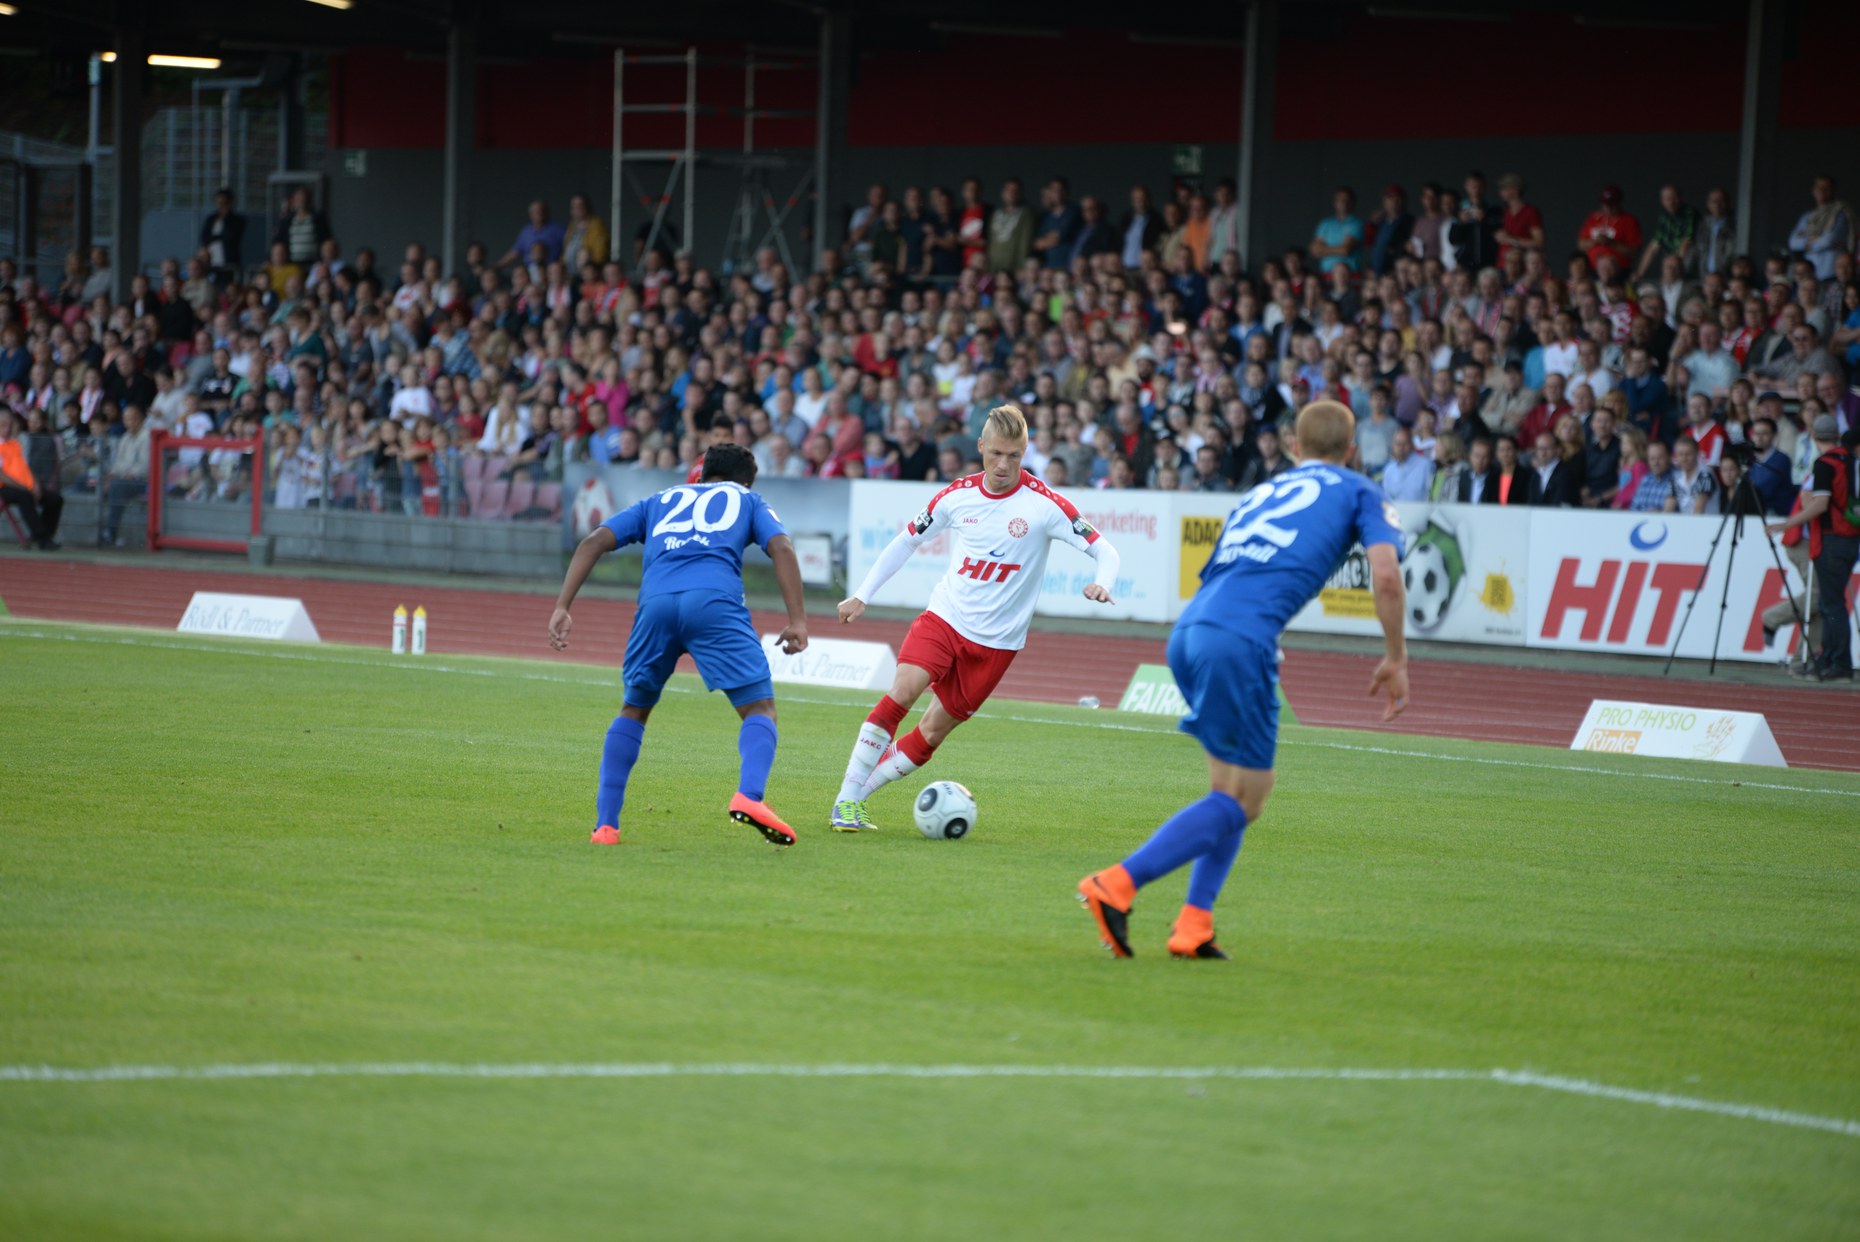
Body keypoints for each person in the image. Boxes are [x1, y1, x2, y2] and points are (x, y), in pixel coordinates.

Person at [1077, 401, 1408, 959]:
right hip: (1240, 641)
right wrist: (1396, 656)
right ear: (1352, 451)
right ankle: (1117, 883)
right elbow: (1387, 577)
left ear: (1295, 448)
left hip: (1191, 630)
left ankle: (1194, 925)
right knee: (1249, 799)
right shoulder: (1360, 490)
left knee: (1226, 793)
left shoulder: (1261, 492)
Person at [828, 404, 1121, 831]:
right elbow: (905, 541)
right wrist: (862, 594)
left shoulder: (1044, 505)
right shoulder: (957, 495)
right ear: (981, 447)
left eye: (1015, 456)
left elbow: (1104, 549)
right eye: (996, 454)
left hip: (997, 644)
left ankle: (856, 797)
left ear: (1025, 453)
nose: (1004, 465)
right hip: (945, 618)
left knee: (931, 733)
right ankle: (846, 800)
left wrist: (1103, 581)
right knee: (904, 691)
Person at [547, 443, 811, 846]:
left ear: (701, 474)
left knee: (633, 710)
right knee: (760, 708)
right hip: (714, 603)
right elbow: (783, 548)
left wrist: (563, 606)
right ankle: (749, 796)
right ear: (745, 480)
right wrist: (797, 620)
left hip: (654, 606)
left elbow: (593, 542)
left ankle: (606, 826)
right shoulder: (747, 498)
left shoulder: (661, 499)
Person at [1766, 414, 1858, 681]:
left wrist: (1786, 524)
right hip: (1852, 537)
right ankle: (1834, 659)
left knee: (1831, 604)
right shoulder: (1851, 461)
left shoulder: (1824, 464)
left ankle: (1837, 662)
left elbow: (1819, 505)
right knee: (1833, 601)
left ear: (1814, 437)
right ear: (1837, 435)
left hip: (1830, 538)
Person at [0, 408, 62, 549]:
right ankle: (42, 538)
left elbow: (25, 467)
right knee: (24, 496)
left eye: (10, 424)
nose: (7, 428)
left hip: (22, 485)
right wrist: (22, 487)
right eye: (3, 424)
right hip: (4, 487)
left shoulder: (15, 444)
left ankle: (45, 534)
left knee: (55, 499)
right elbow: (1, 474)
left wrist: (35, 485)